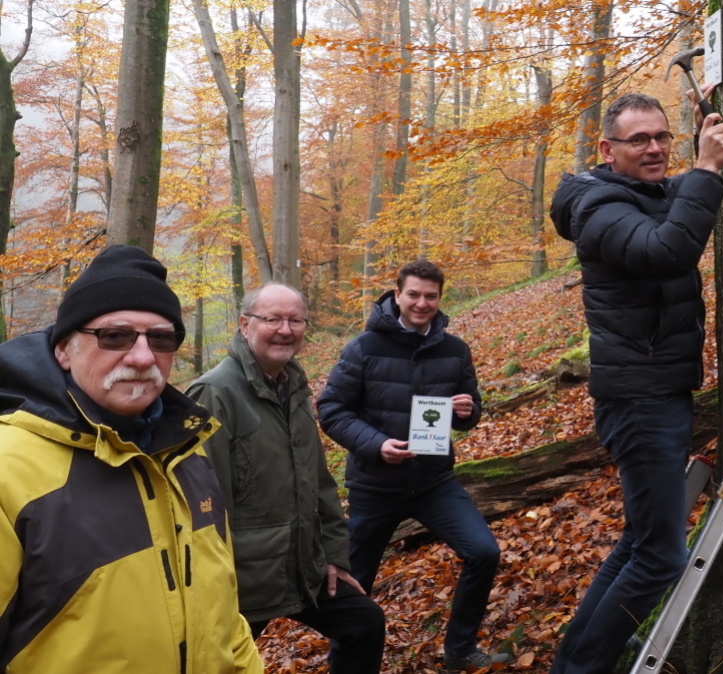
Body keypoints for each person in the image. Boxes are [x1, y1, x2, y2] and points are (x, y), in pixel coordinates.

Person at [0, 245, 263, 674]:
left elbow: (226, 613)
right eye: (114, 336)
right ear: (64, 349)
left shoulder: (188, 455)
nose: (142, 357)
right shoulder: (8, 467)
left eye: (160, 338)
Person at [546, 90, 723, 673]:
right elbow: (667, 250)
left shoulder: (638, 194)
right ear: (608, 150)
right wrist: (706, 168)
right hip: (640, 399)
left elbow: (675, 202)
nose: (654, 149)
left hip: (655, 390)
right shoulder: (599, 208)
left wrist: (703, 157)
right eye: (638, 140)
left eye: (661, 137)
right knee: (660, 558)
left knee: (639, 542)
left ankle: (573, 663)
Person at [317, 260, 510, 671]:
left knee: (483, 552)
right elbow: (331, 410)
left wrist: (467, 411)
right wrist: (377, 445)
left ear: (440, 298)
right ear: (397, 295)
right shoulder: (363, 348)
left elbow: (470, 412)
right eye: (414, 295)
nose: (422, 303)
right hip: (374, 486)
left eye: (430, 296)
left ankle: (460, 650)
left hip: (433, 483)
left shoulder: (455, 350)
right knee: (353, 584)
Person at [186, 283, 386, 673]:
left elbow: (319, 481)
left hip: (301, 565)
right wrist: (214, 586)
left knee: (363, 623)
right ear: (245, 324)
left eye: (295, 320)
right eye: (273, 319)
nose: (285, 330)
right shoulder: (214, 393)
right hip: (243, 579)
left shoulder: (293, 385)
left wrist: (333, 556)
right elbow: (202, 503)